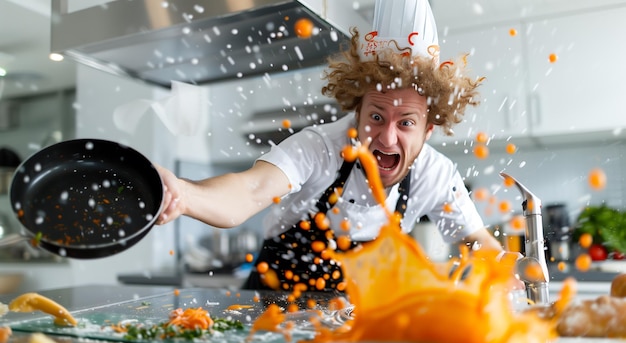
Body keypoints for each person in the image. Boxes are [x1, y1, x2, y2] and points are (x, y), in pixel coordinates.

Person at [156, 0, 505, 292]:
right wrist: (184, 195)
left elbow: (477, 243)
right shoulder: (318, 148)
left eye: (406, 123)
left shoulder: (436, 174)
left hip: (352, 317)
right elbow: (250, 190)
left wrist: (506, 267)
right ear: (357, 111)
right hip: (271, 311)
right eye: (377, 117)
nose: (386, 138)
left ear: (428, 130)